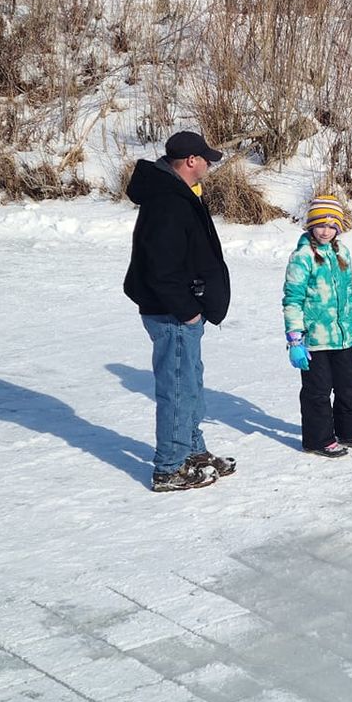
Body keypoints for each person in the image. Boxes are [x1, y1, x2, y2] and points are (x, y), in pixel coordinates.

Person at [124, 129, 235, 491]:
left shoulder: (179, 194)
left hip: (183, 311)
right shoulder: (167, 201)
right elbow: (161, 267)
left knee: (191, 384)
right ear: (190, 161)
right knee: (176, 387)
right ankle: (170, 466)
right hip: (171, 313)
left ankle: (191, 451)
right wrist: (187, 309)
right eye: (205, 160)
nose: (208, 165)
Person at [283, 195, 352, 458]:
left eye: (331, 225)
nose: (326, 230)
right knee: (318, 390)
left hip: (344, 336)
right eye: (320, 225)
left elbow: (348, 292)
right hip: (315, 339)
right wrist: (295, 340)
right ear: (310, 226)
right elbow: (292, 300)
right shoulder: (302, 257)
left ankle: (350, 430)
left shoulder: (342, 252)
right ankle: (318, 439)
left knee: (351, 385)